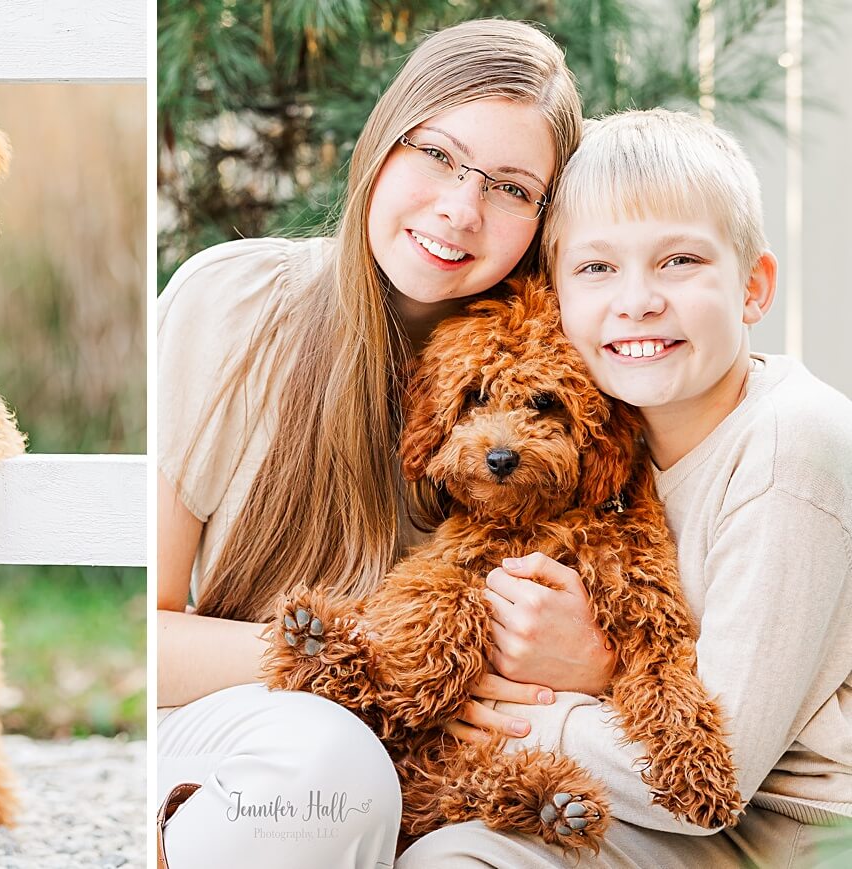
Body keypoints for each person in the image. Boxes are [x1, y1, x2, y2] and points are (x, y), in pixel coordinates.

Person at [157, 19, 594, 868]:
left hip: (429, 761)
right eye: (436, 153)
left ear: (544, 218)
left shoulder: (547, 376)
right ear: (381, 143)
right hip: (226, 724)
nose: (459, 208)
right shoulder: (234, 304)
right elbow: (151, 633)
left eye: (510, 188)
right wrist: (383, 658)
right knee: (331, 765)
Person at [397, 109, 852, 866]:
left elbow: (719, 781)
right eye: (597, 268)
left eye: (679, 261)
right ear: (556, 297)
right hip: (632, 803)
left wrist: (520, 707)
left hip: (789, 830)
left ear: (753, 287)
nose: (638, 298)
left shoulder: (790, 449)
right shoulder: (608, 443)